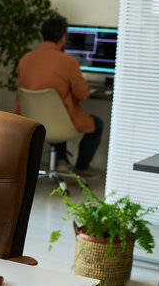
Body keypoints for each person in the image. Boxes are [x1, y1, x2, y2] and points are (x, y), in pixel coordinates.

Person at [14, 16, 103, 178]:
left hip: (30, 121)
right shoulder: (69, 62)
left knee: (58, 111)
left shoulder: (25, 59)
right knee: (96, 124)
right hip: (59, 122)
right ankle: (81, 168)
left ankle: (62, 161)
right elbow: (83, 95)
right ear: (63, 38)